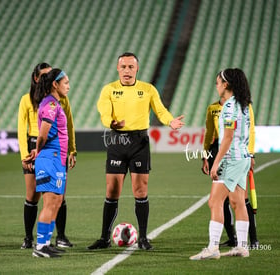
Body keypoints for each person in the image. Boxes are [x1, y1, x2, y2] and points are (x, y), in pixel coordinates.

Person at [88, 52, 184, 250]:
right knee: (112, 190)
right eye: (123, 67)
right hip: (116, 141)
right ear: (117, 68)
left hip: (139, 143)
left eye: (131, 67)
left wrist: (170, 121)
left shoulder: (147, 89)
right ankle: (104, 238)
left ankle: (143, 238)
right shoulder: (109, 90)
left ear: (137, 69)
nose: (127, 71)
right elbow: (104, 112)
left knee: (140, 190)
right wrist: (111, 122)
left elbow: (160, 110)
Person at [190, 68, 252, 260]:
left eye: (218, 82)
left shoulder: (229, 106)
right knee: (237, 201)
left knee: (214, 201)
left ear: (226, 84)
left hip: (231, 158)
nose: (216, 86)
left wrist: (215, 162)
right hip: (243, 157)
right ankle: (242, 247)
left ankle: (213, 248)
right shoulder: (244, 104)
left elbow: (227, 138)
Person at [18, 63, 77, 250]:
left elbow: (65, 128)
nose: (68, 86)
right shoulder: (50, 104)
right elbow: (41, 134)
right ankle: (39, 244)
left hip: (55, 155)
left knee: (56, 200)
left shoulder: (57, 102)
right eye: (65, 82)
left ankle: (48, 242)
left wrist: (71, 150)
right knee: (47, 201)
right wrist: (34, 151)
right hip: (48, 154)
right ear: (53, 84)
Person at [201, 98, 259, 249]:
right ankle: (232, 238)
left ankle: (253, 239)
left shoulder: (244, 106)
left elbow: (251, 129)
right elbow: (209, 132)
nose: (217, 86)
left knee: (241, 199)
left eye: (219, 82)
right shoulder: (212, 108)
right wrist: (205, 155)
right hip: (217, 150)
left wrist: (251, 153)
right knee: (223, 201)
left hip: (234, 152)